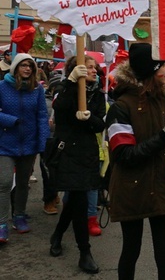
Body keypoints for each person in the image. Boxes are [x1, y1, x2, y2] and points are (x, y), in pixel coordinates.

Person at [106, 43, 165, 279]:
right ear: (150, 71)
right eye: (161, 66)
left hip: (162, 188)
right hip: (132, 191)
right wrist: (163, 137)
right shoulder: (121, 107)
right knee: (131, 251)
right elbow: (123, 156)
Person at [49, 56, 105, 274]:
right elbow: (60, 110)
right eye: (87, 67)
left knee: (75, 199)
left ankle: (58, 235)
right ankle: (84, 252)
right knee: (80, 200)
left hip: (87, 153)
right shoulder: (64, 88)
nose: (92, 71)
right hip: (68, 152)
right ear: (76, 70)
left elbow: (100, 124)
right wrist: (72, 83)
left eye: (94, 68)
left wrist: (89, 118)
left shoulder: (98, 95)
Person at [0, 53, 49, 242]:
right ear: (16, 68)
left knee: (22, 183)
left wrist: (42, 141)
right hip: (5, 143)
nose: (27, 68)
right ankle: (2, 224)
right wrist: (11, 121)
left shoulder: (37, 90)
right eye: (23, 65)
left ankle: (19, 216)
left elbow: (42, 116)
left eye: (31, 66)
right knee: (3, 183)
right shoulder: (2, 87)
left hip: (29, 144)